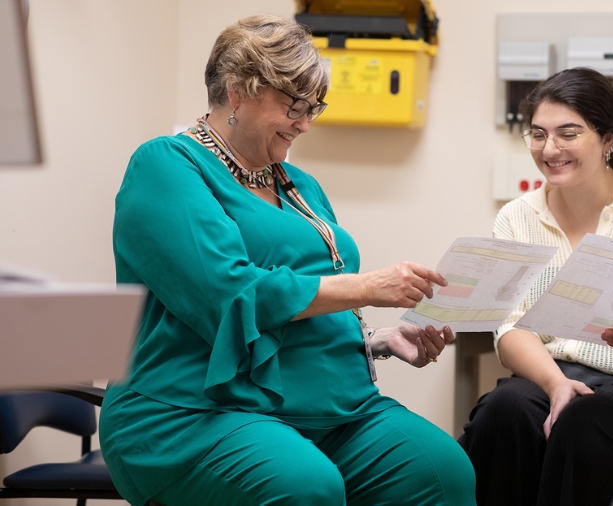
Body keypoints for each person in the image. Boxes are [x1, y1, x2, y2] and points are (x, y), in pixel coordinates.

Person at [99, 15, 475, 506]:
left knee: (442, 471)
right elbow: (229, 294)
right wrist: (366, 287)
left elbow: (309, 298)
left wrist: (376, 340)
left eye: (313, 106)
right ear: (237, 91)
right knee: (304, 486)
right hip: (196, 408)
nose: (304, 120)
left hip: (328, 405)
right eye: (293, 103)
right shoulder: (167, 165)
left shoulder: (301, 187)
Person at [457, 67, 613, 505]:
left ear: (608, 139)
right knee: (502, 412)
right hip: (551, 371)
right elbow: (511, 328)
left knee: (583, 421)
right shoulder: (516, 218)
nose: (550, 148)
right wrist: (556, 383)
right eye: (538, 134)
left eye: (568, 133)